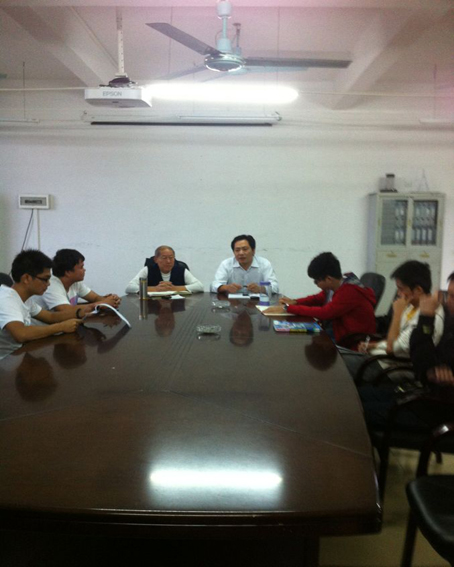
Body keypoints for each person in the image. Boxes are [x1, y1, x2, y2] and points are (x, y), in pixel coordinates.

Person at [358, 272, 454, 431]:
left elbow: (402, 351)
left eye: (453, 297)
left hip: (436, 411)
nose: (447, 301)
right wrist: (426, 319)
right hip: (422, 394)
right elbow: (421, 360)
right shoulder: (450, 323)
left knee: (356, 412)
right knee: (357, 396)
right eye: (447, 295)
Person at [346, 260, 445, 383]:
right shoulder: (412, 307)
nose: (398, 294)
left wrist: (397, 314)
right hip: (381, 359)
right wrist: (374, 345)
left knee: (340, 366)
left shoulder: (429, 317)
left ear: (418, 290)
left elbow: (392, 348)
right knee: (340, 355)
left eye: (401, 289)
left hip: (393, 367)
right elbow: (396, 339)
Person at [265, 252, 375, 343]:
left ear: (328, 279)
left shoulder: (349, 291)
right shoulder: (336, 285)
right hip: (336, 330)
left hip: (350, 340)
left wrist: (288, 308)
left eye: (316, 281)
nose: (316, 284)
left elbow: (325, 312)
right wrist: (294, 302)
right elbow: (317, 298)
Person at [0, 249, 86, 357]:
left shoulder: (25, 299)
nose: (49, 284)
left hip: (19, 354)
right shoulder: (6, 299)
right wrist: (61, 327)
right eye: (45, 279)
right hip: (5, 361)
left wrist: (80, 312)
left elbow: (50, 317)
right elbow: (21, 334)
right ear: (26, 278)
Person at [37, 249, 121, 313]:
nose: (84, 270)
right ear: (68, 272)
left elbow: (95, 298)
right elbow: (66, 310)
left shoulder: (75, 283)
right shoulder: (51, 285)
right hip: (45, 330)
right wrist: (103, 303)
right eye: (81, 267)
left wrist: (111, 300)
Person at [211, 235, 279, 295]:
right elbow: (213, 286)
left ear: (253, 251)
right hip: (233, 302)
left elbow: (275, 287)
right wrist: (226, 287)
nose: (241, 253)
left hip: (258, 302)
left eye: (245, 249)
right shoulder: (226, 264)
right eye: (237, 250)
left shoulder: (264, 264)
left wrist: (261, 289)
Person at [125, 246, 203, 294]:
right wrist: (155, 289)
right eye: (164, 258)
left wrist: (175, 288)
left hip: (178, 307)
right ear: (156, 259)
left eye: (171, 258)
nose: (168, 261)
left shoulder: (181, 270)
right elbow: (129, 287)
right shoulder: (147, 270)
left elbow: (199, 286)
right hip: (152, 307)